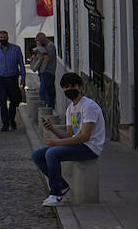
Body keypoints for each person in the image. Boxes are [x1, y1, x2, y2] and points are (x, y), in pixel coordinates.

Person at [34, 73, 106, 206]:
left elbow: (85, 136)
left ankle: (55, 194)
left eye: (72, 86)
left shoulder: (88, 106)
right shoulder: (70, 109)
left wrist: (57, 143)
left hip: (90, 147)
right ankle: (61, 185)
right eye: (65, 87)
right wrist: (52, 129)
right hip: (79, 145)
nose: (69, 89)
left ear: (80, 87)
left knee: (52, 153)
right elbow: (69, 134)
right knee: (37, 155)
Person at [0, 30, 27, 131]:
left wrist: (23, 78)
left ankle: (12, 119)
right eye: (1, 37)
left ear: (8, 37)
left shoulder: (16, 49)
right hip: (0, 79)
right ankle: (5, 123)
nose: (3, 39)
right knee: (2, 102)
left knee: (14, 101)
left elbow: (21, 64)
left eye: (4, 37)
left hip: (12, 78)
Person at [32, 32, 57, 109]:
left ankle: (47, 108)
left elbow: (47, 58)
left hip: (48, 72)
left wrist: (40, 49)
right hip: (43, 72)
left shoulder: (50, 46)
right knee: (45, 91)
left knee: (44, 91)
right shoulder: (46, 46)